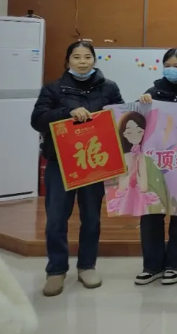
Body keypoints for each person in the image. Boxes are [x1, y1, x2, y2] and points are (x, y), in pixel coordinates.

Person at [30, 41, 124, 297]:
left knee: (91, 218)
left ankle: (87, 266)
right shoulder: (52, 89)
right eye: (77, 57)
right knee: (56, 219)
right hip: (60, 162)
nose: (82, 62)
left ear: (94, 60)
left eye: (87, 57)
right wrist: (66, 113)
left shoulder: (109, 87)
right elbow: (37, 120)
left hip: (94, 162)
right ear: (68, 60)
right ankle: (56, 270)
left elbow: (120, 117)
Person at [133, 48, 177, 286]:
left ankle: (175, 265)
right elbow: (136, 123)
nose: (172, 70)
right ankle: (151, 266)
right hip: (156, 163)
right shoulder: (152, 93)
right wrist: (141, 105)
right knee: (151, 213)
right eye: (168, 65)